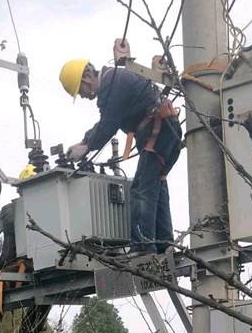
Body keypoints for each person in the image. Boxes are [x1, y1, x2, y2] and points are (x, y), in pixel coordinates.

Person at [59, 41, 182, 254]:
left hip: (157, 132)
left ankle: (143, 246)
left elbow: (109, 124)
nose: (86, 96)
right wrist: (84, 141)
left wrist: (87, 146)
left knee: (141, 189)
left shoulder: (113, 83)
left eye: (82, 90)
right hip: (165, 132)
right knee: (155, 186)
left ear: (87, 77)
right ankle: (164, 244)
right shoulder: (116, 80)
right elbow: (106, 121)